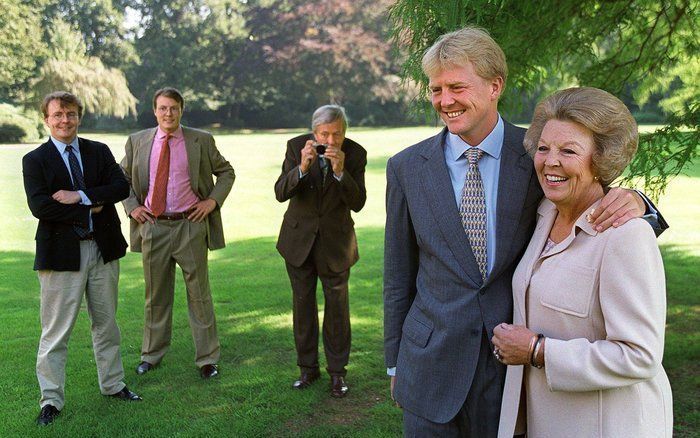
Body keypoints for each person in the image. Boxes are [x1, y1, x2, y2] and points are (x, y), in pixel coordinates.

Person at [382, 27, 667, 437]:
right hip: (429, 366)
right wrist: (396, 362)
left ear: (495, 85)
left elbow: (593, 201)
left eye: (457, 86)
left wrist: (643, 204)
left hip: (512, 374)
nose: (445, 101)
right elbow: (398, 274)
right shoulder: (407, 167)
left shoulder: (539, 152)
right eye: (436, 89)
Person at [492, 87, 673, 437]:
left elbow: (640, 355)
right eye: (544, 148)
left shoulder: (626, 235)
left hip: (611, 424)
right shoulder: (544, 213)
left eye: (569, 151)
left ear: (600, 161)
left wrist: (537, 350)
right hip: (552, 420)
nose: (550, 161)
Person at [23, 91, 141, 426]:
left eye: (71, 114)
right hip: (60, 256)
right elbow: (40, 206)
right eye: (58, 114)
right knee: (56, 331)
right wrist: (91, 204)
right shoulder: (35, 160)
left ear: (79, 117)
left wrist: (80, 195)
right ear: (47, 119)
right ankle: (51, 400)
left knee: (107, 324)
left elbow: (120, 187)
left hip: (102, 250)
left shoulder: (98, 151)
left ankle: (113, 385)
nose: (65, 120)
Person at [121, 87, 235, 379]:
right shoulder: (138, 141)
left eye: (173, 108)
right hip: (153, 227)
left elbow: (226, 171)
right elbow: (120, 178)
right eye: (162, 108)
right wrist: (132, 207)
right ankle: (151, 354)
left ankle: (207, 359)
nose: (168, 113)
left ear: (181, 109)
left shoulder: (200, 140)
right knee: (155, 295)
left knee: (199, 295)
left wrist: (212, 201)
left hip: (190, 226)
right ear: (154, 111)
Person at [275, 105, 367, 398]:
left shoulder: (356, 153)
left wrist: (341, 173)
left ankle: (338, 374)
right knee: (302, 307)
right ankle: (307, 369)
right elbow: (280, 192)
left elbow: (358, 201)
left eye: (336, 134)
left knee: (337, 309)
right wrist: (301, 167)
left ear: (344, 132)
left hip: (336, 244)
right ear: (314, 132)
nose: (330, 140)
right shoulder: (294, 147)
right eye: (324, 134)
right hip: (298, 242)